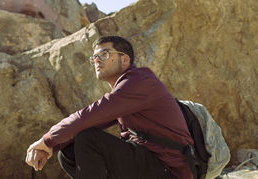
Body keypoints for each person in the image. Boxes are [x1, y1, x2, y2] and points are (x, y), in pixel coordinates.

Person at [26, 36, 194, 179]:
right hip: (148, 163)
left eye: (104, 54)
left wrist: (46, 141)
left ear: (125, 59)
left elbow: (88, 116)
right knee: (68, 151)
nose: (97, 60)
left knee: (88, 139)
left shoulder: (139, 81)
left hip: (170, 169)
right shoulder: (127, 89)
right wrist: (52, 147)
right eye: (94, 58)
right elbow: (87, 123)